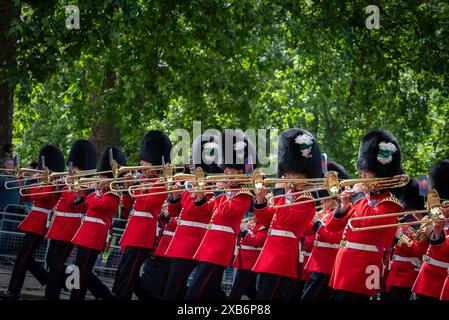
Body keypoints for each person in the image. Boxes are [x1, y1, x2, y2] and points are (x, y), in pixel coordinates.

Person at [326, 130, 404, 300]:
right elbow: (331, 227)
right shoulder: (362, 200)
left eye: (367, 172)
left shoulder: (390, 204)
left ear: (381, 173)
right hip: (345, 265)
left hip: (365, 266)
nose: (362, 176)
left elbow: (369, 221)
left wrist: (359, 196)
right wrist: (343, 206)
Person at [184, 130, 256, 300]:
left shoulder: (244, 194)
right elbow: (208, 212)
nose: (226, 172)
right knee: (209, 293)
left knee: (194, 295)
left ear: (240, 172)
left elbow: (226, 211)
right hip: (209, 246)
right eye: (226, 168)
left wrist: (219, 191)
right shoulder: (226, 191)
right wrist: (200, 196)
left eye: (230, 169)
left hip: (219, 249)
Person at [252, 129, 321, 300]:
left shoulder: (306, 199)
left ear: (305, 174)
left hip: (282, 258)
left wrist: (279, 191)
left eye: (292, 172)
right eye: (287, 171)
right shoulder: (287, 195)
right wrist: (260, 200)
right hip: (270, 254)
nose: (287, 175)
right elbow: (267, 220)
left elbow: (285, 219)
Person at [44, 139, 112, 300]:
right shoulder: (71, 181)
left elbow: (73, 202)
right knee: (54, 263)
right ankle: (76, 285)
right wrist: (60, 186)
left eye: (72, 166)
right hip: (59, 226)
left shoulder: (83, 183)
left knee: (59, 265)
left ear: (78, 166)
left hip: (69, 228)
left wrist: (63, 187)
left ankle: (52, 295)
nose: (69, 168)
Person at [162, 133, 223, 300]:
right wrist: (174, 197)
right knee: (180, 288)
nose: (190, 162)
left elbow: (201, 212)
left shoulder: (211, 190)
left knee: (173, 290)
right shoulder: (189, 184)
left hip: (192, 243)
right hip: (180, 242)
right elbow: (175, 212)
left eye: (193, 159)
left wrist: (199, 195)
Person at [112, 130, 172, 300]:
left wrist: (136, 185)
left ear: (154, 162)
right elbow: (129, 206)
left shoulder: (161, 183)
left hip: (143, 234)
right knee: (127, 276)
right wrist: (127, 188)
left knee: (126, 277)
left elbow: (147, 205)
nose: (141, 163)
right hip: (133, 232)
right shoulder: (144, 181)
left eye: (145, 161)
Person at [0, 145, 65, 300]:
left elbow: (39, 195)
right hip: (34, 220)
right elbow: (25, 197)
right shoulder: (44, 183)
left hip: (40, 222)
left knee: (23, 257)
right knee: (24, 257)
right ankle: (48, 280)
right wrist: (21, 182)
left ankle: (13, 291)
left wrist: (33, 183)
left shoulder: (55, 185)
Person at [69, 147, 127, 300]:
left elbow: (96, 205)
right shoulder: (99, 193)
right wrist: (80, 193)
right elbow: (83, 206)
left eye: (102, 175)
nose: (99, 178)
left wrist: (93, 190)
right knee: (80, 272)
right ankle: (107, 297)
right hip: (84, 235)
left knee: (82, 273)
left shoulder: (113, 196)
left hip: (94, 238)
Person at [301, 161, 349, 300]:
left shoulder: (343, 213)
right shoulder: (325, 213)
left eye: (326, 198)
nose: (322, 201)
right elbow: (307, 233)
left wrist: (317, 224)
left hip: (327, 263)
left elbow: (334, 237)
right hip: (317, 262)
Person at [382, 179, 429, 300]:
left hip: (406, 277)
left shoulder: (423, 227)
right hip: (392, 275)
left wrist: (399, 235)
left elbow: (419, 252)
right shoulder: (403, 224)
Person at [412, 160, 449, 300]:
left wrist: (436, 233)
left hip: (439, 282)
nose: (440, 208)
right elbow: (420, 250)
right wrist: (423, 233)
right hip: (424, 279)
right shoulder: (436, 219)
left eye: (443, 204)